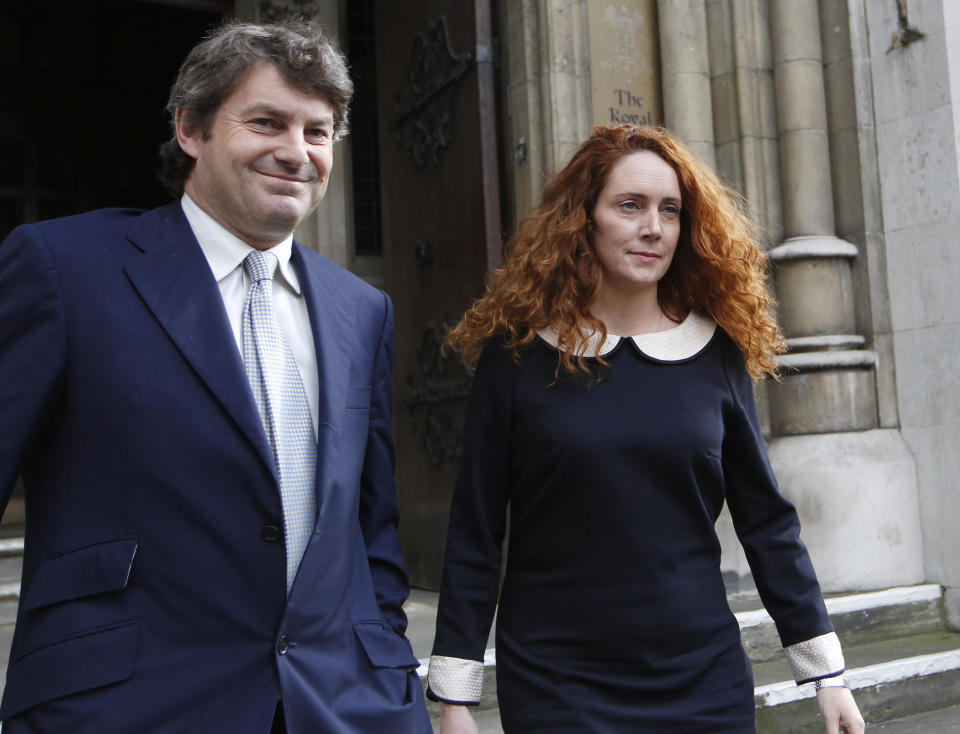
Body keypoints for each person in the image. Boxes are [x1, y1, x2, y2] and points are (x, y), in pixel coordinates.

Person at [0, 19, 431, 734]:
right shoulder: (63, 268)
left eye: (318, 132)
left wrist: (388, 670)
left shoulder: (364, 310)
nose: (296, 152)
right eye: (267, 122)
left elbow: (367, 527)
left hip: (341, 708)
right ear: (191, 130)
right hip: (122, 706)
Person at [426, 125, 865, 734]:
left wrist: (827, 674)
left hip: (701, 678)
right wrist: (455, 699)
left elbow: (766, 522)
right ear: (584, 219)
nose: (652, 227)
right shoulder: (518, 357)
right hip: (559, 685)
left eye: (670, 211)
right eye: (629, 205)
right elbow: (475, 531)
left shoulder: (717, 354)